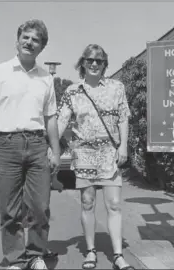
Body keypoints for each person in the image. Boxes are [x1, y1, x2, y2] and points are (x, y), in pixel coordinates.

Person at [0, 19, 60, 270]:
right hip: (5, 145)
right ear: (18, 39)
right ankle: (15, 258)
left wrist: (55, 151)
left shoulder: (46, 78)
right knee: (9, 208)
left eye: (36, 40)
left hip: (36, 144)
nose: (29, 42)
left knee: (40, 207)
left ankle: (35, 255)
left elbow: (51, 118)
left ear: (41, 47)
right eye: (26, 37)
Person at [56, 44, 135, 270]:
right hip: (84, 154)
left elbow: (123, 118)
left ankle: (118, 255)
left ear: (104, 64)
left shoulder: (116, 87)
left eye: (98, 61)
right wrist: (51, 147)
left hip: (110, 153)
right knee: (87, 202)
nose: (93, 64)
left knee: (114, 204)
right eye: (89, 60)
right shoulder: (72, 91)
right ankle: (90, 252)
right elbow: (61, 120)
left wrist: (123, 148)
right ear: (82, 63)